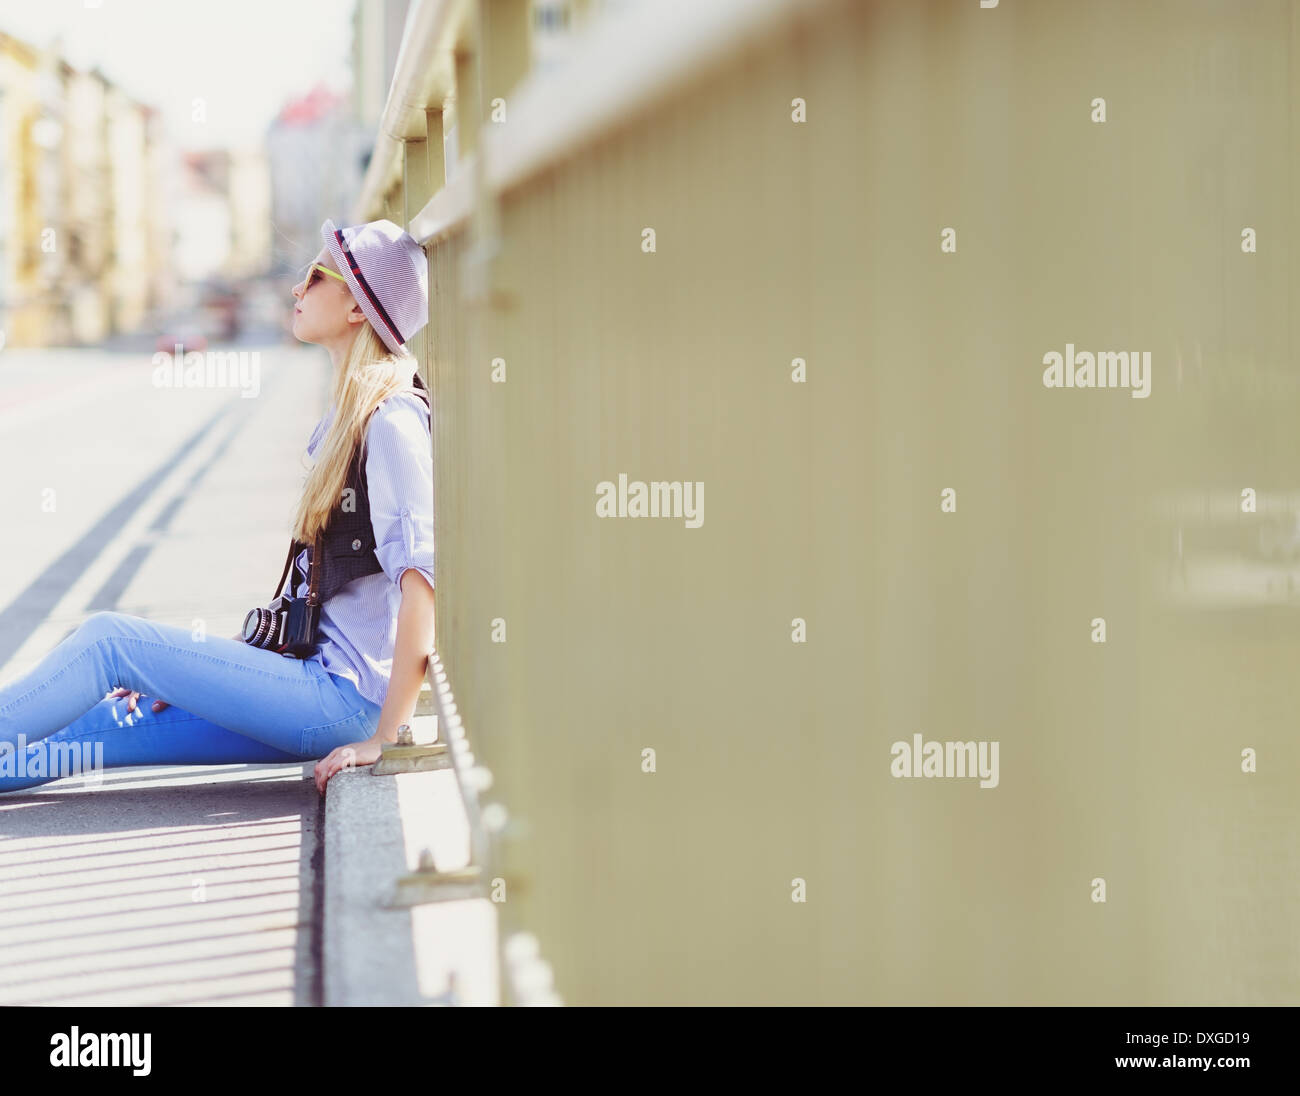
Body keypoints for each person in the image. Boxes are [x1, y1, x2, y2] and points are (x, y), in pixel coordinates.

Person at [0, 218, 436, 797]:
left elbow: (423, 583)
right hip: (306, 680)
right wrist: (205, 669)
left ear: (357, 307)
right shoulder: (346, 420)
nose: (295, 289)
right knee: (97, 725)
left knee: (108, 641)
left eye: (314, 275)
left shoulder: (392, 419)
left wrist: (384, 738)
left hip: (341, 699)